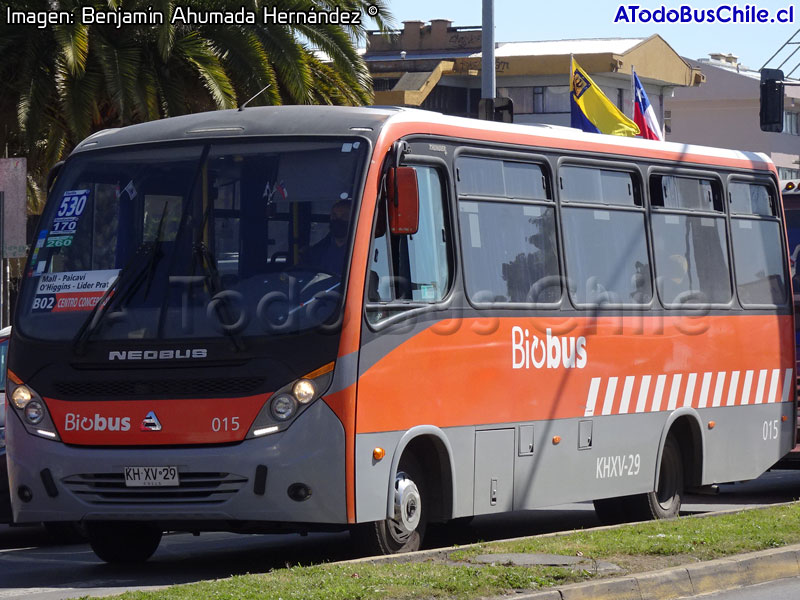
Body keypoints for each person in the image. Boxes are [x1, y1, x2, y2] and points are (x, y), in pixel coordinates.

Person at [304, 200, 352, 274]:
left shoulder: (362, 249)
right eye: (334, 216)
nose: (338, 220)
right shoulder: (317, 251)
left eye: (344, 216)